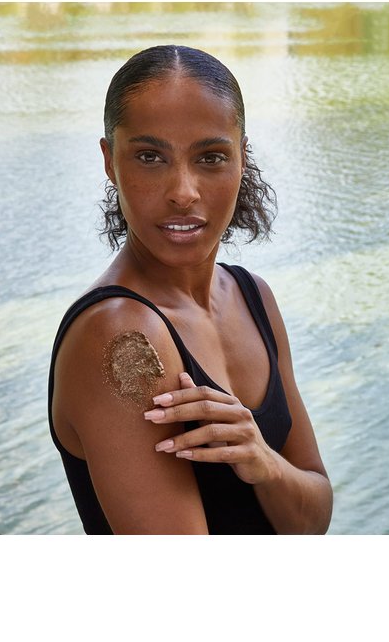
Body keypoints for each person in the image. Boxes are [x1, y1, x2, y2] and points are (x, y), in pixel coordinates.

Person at [47, 45, 332, 534]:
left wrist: (264, 463)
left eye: (211, 157)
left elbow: (314, 517)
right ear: (110, 161)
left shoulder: (253, 296)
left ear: (242, 158)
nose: (183, 191)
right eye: (150, 157)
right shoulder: (119, 335)